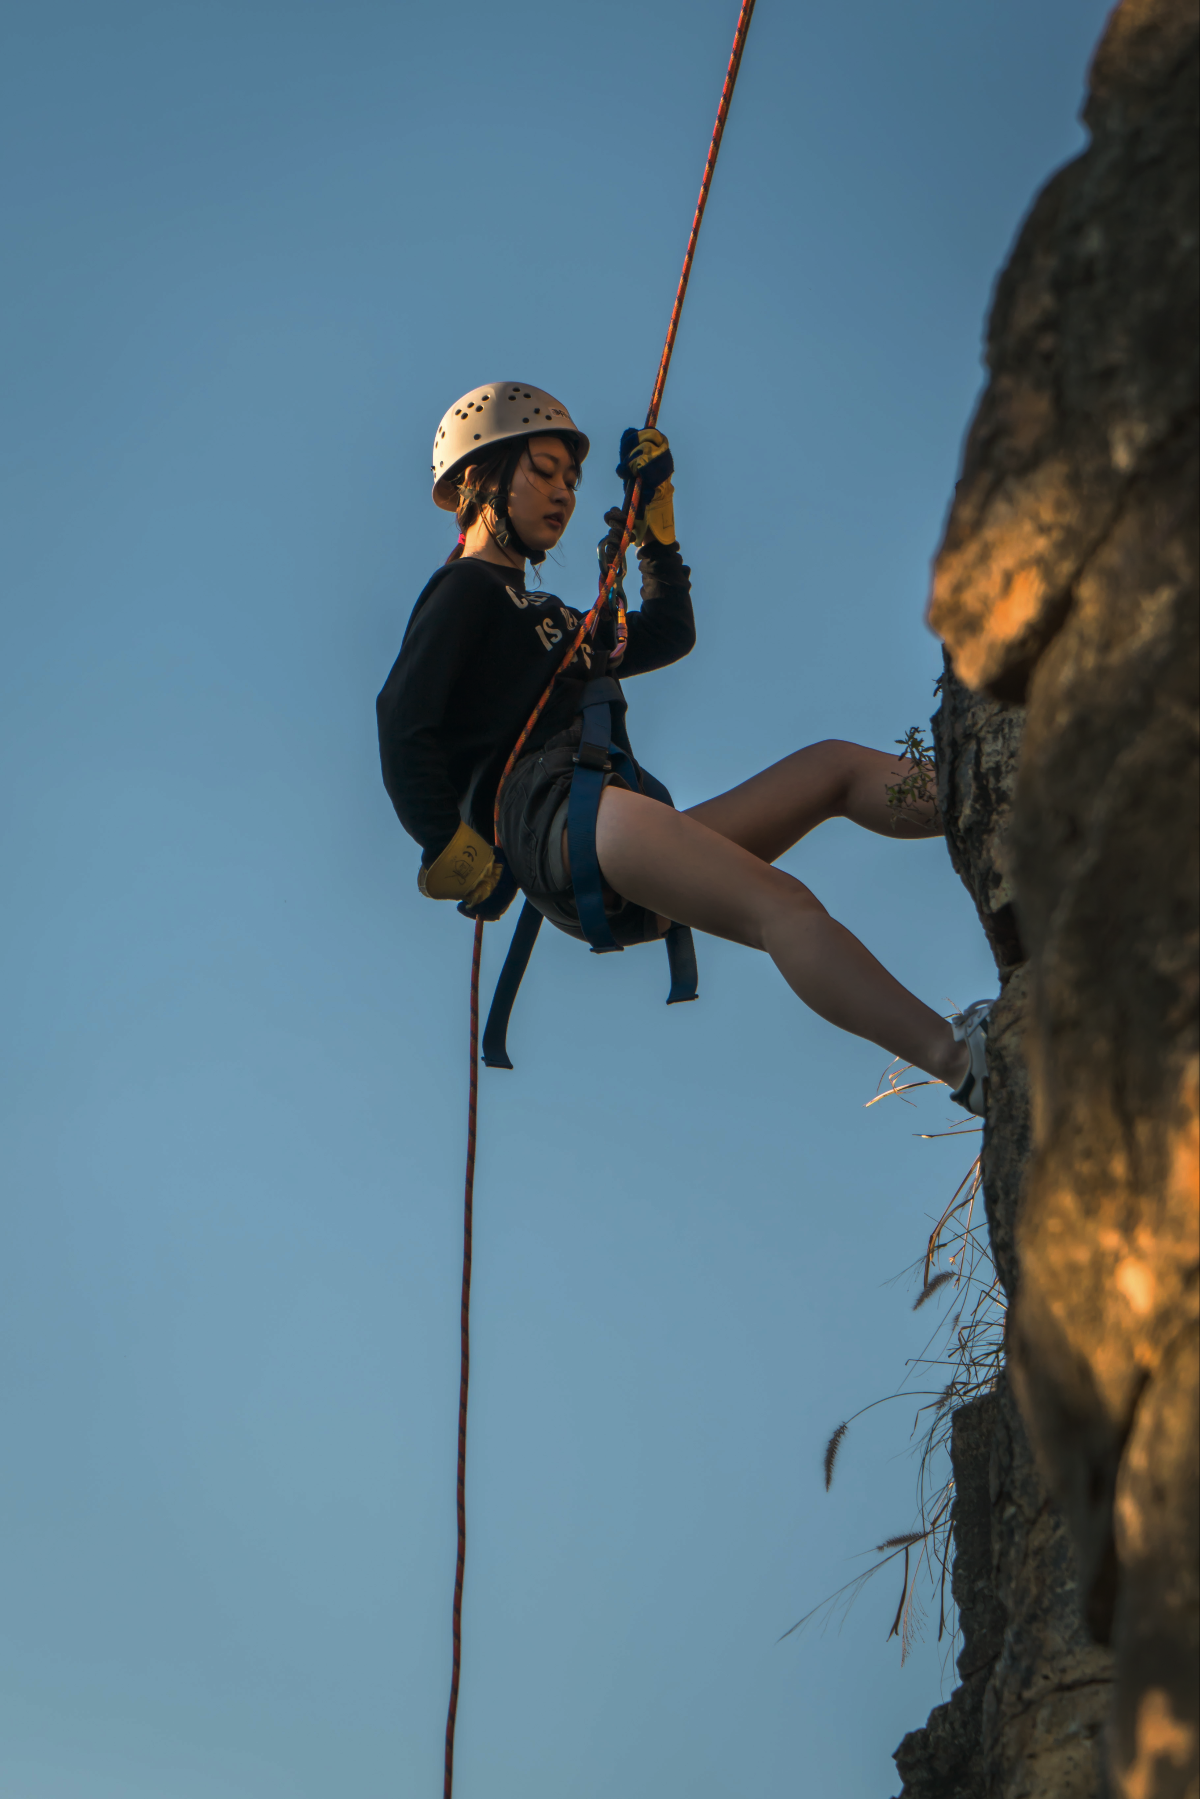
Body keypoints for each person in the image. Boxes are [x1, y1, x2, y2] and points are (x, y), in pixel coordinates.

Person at [376, 383, 992, 1113]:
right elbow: (402, 718)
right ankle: (968, 1064)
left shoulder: (550, 619)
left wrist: (656, 537)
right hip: (562, 820)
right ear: (482, 478)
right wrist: (445, 841)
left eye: (570, 479)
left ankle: (997, 793)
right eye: (543, 470)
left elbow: (668, 634)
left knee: (834, 769)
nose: (563, 492)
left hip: (605, 825)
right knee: (783, 905)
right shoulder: (467, 590)